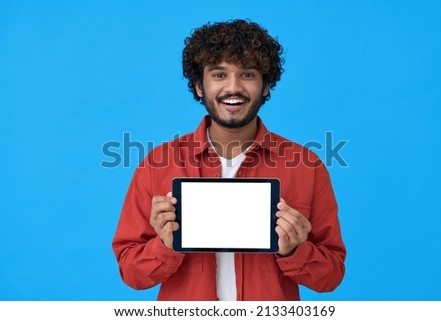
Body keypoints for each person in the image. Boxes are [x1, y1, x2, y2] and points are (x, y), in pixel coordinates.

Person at [112, 19, 346, 301]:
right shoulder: (156, 164)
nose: (233, 88)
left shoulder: (307, 166)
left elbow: (332, 276)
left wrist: (296, 250)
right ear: (199, 86)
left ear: (265, 86)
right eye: (219, 75)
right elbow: (131, 273)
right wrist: (165, 245)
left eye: (247, 74)